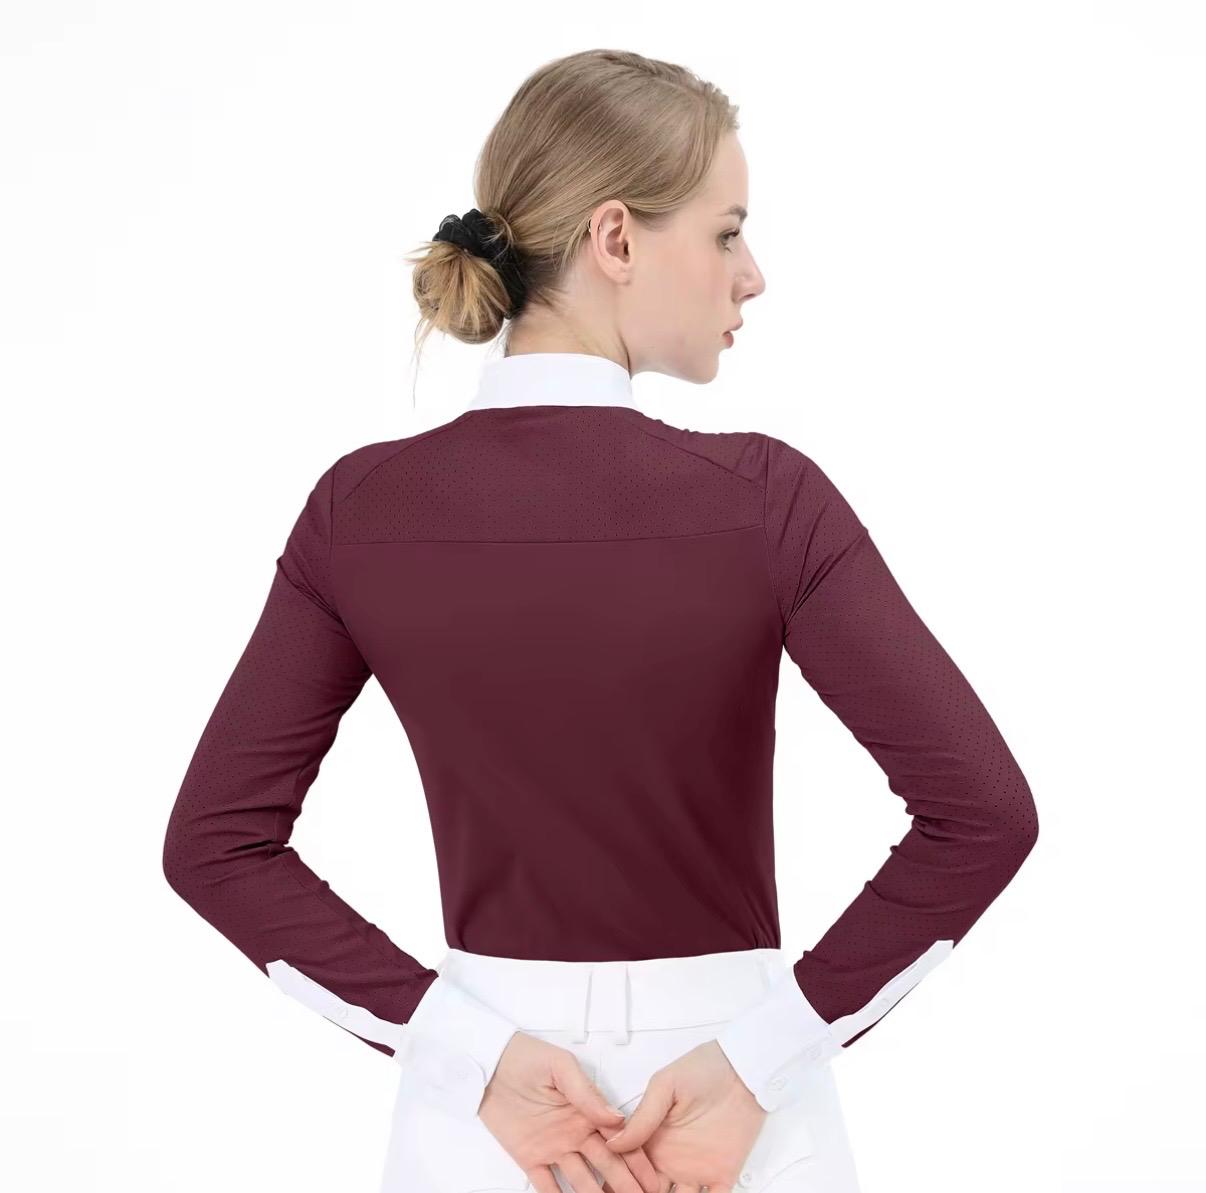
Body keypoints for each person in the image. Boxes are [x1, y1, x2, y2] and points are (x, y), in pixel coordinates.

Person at [162, 48, 1039, 1193]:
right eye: (727, 232)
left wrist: (463, 1052)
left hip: (484, 1130)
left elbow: (216, 844)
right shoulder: (767, 499)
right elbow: (983, 814)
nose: (753, 275)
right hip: (744, 1120)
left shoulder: (364, 508)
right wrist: (762, 1059)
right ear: (615, 239)